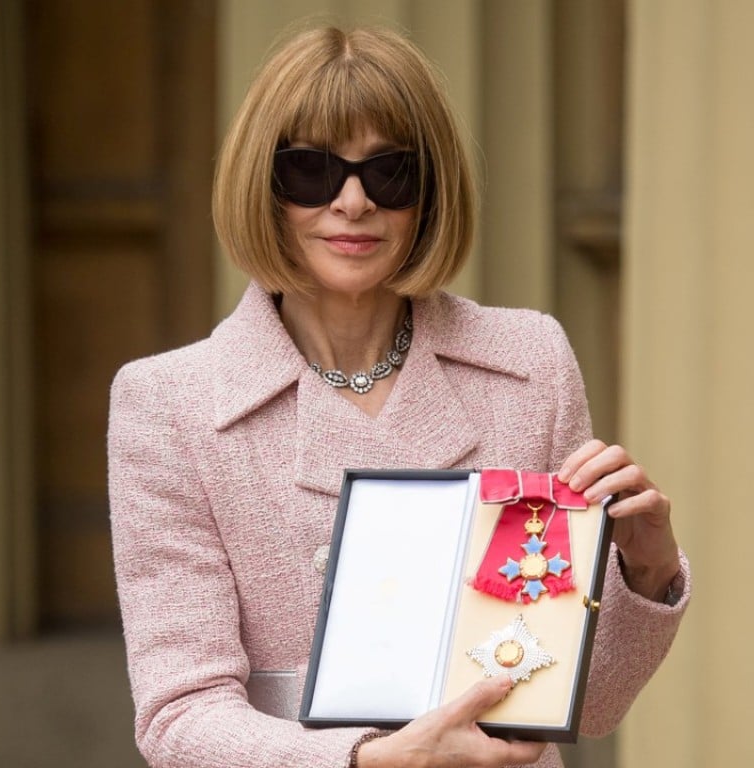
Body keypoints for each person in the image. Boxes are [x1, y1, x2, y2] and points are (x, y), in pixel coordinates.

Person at [108, 24, 689, 768]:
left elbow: (588, 705)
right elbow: (179, 716)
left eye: (390, 173)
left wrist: (647, 572)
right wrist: (374, 760)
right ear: (264, 185)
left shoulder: (529, 363)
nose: (352, 202)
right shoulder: (168, 405)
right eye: (311, 170)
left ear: (430, 192)